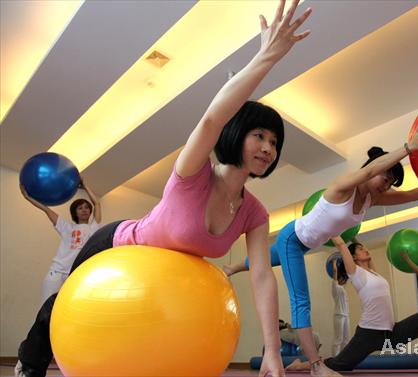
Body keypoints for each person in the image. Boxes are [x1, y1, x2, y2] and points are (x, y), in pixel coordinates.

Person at [15, 2, 311, 377]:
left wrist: (272, 350)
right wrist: (266, 57)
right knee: (67, 302)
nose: (268, 148)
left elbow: (261, 276)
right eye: (259, 135)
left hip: (164, 283)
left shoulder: (255, 213)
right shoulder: (193, 173)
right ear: (237, 135)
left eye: (274, 141)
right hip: (117, 242)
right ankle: (31, 360)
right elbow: (211, 119)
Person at [224, 123, 418, 376]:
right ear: (372, 171)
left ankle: (232, 266)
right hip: (293, 238)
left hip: (308, 243)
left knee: (264, 259)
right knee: (301, 301)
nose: (388, 184)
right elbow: (372, 168)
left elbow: (412, 195)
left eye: (392, 181)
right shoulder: (345, 184)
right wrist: (407, 148)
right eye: (386, 177)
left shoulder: (373, 198)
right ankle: (317, 366)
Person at [287, 237, 418, 371]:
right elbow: (340, 244)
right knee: (340, 364)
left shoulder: (374, 274)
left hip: (390, 332)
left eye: (364, 247)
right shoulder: (356, 274)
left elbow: (367, 259)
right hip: (369, 333)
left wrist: (357, 238)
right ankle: (301, 365)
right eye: (360, 249)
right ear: (352, 257)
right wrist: (333, 229)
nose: (365, 249)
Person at [20, 179, 101, 303]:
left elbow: (97, 204)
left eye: (86, 208)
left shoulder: (94, 227)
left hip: (75, 275)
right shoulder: (66, 227)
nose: (84, 210)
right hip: (56, 272)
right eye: (80, 208)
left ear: (90, 211)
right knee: (46, 307)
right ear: (75, 212)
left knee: (69, 307)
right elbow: (46, 209)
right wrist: (27, 197)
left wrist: (85, 186)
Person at [331, 258, 350, 355]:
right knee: (338, 338)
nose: (344, 280)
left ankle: (344, 357)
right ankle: (335, 359)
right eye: (342, 278)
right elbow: (334, 271)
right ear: (339, 279)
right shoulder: (335, 287)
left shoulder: (343, 289)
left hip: (346, 315)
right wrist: (334, 262)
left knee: (346, 339)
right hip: (339, 315)